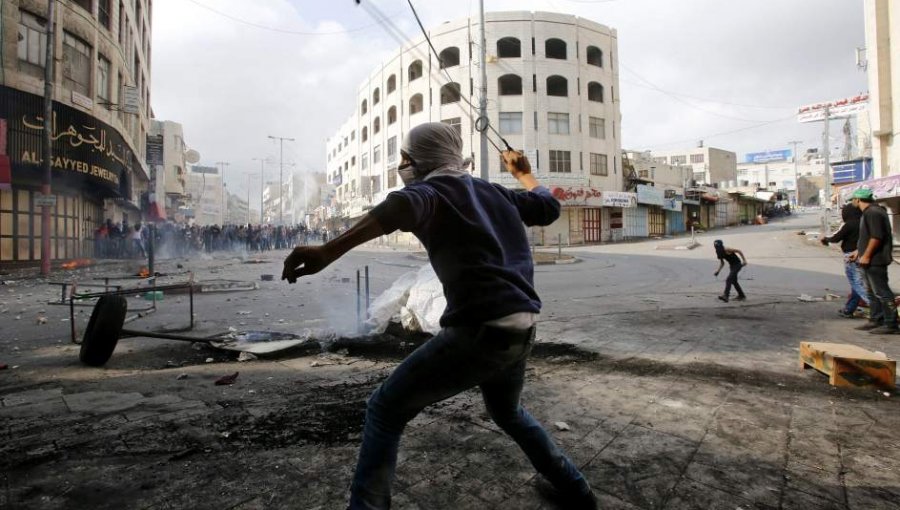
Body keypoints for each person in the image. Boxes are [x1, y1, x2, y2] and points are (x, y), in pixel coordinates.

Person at [282, 122, 596, 510]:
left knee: (384, 409)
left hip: (477, 332)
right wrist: (523, 174)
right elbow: (548, 206)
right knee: (508, 412)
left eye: (404, 158)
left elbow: (401, 204)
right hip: (522, 325)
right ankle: (577, 490)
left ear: (420, 160)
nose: (402, 165)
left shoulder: (429, 192)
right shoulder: (496, 192)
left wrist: (328, 252)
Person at [849, 188, 898, 334]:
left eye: (853, 199)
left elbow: (876, 237)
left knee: (882, 292)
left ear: (857, 199)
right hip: (868, 259)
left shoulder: (873, 213)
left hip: (875, 260)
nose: (853, 202)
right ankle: (876, 319)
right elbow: (869, 237)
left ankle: (891, 324)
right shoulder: (870, 212)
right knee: (871, 292)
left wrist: (867, 255)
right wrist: (859, 252)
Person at [821, 202, 867, 317]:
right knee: (856, 284)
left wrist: (825, 239)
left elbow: (836, 238)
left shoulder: (849, 224)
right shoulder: (864, 223)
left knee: (857, 284)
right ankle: (849, 309)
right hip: (862, 253)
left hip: (851, 256)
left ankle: (879, 309)